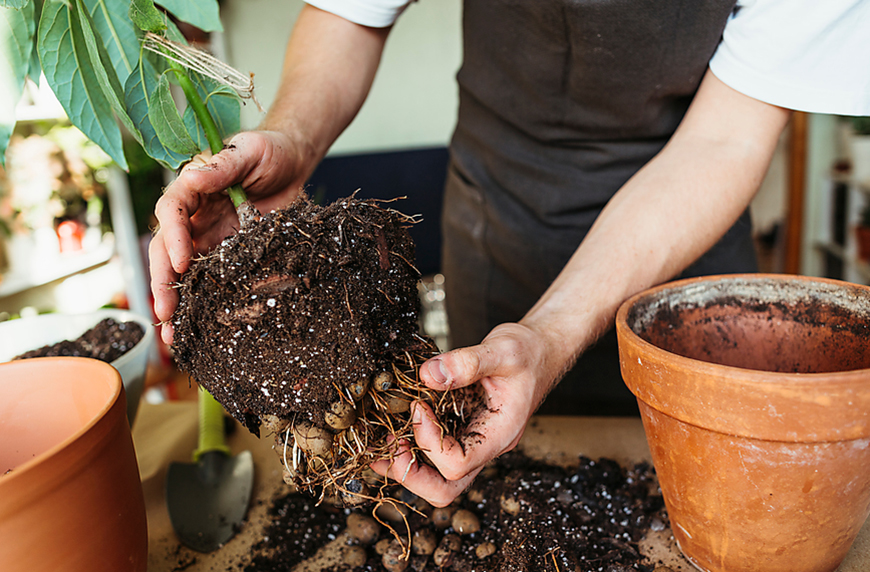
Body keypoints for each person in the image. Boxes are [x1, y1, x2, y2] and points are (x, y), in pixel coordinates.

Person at [150, 0, 870, 507]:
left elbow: (725, 139)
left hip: (681, 239)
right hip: (499, 212)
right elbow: (351, 11)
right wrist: (294, 139)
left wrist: (552, 334)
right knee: (493, 474)